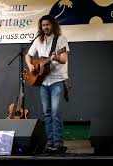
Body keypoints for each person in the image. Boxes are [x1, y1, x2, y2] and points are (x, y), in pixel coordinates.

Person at [25, 15, 70, 154]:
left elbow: (63, 59)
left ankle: (58, 143)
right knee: (47, 113)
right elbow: (28, 55)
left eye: (48, 25)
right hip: (44, 81)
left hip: (57, 80)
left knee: (55, 112)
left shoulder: (61, 39)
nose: (45, 27)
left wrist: (56, 57)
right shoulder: (38, 40)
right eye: (43, 25)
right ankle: (50, 142)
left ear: (53, 25)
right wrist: (31, 66)